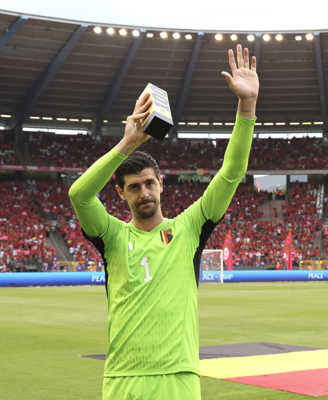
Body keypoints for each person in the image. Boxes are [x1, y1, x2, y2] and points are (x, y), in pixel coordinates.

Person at [68, 44, 259, 400]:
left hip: (178, 377)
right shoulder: (111, 236)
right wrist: (126, 144)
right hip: (123, 378)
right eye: (134, 187)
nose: (144, 192)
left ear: (161, 183)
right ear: (122, 194)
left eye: (149, 183)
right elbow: (79, 195)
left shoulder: (189, 227)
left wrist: (246, 107)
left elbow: (232, 173)